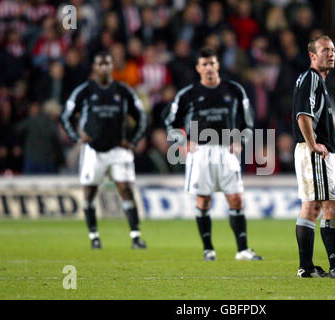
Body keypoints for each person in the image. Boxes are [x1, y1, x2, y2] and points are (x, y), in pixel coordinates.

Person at [164, 47, 262, 261]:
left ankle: (242, 250)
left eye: (212, 63)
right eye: (204, 64)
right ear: (198, 68)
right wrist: (184, 141)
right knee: (204, 201)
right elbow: (170, 122)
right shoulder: (187, 94)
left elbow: (248, 122)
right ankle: (208, 249)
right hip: (201, 152)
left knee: (236, 199)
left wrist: (241, 140)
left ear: (218, 65)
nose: (209, 67)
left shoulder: (234, 90)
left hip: (227, 151)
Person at [60, 51, 147, 249]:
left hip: (119, 149)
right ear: (94, 67)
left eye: (108, 64)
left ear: (112, 66)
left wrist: (133, 140)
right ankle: (94, 237)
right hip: (93, 150)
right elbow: (66, 115)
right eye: (101, 64)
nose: (105, 68)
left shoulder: (123, 91)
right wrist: (77, 137)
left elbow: (141, 116)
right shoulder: (85, 90)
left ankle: (135, 237)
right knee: (89, 192)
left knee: (125, 189)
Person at [292, 35, 335, 278]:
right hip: (316, 151)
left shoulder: (318, 80)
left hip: (317, 150)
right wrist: (313, 144)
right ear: (312, 56)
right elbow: (302, 115)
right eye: (325, 50)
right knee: (331, 207)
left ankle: (306, 267)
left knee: (313, 207)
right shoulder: (312, 78)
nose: (331, 54)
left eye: (333, 50)